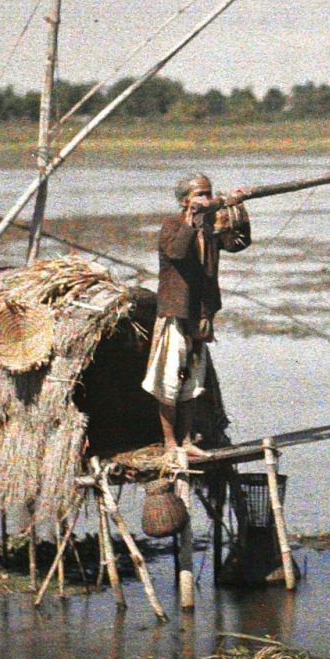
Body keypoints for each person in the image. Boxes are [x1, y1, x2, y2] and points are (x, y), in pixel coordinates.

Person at [145, 173, 251, 454]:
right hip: (176, 310)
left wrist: (238, 208)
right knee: (168, 378)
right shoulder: (172, 225)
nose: (207, 199)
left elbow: (238, 243)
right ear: (185, 201)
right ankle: (170, 443)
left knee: (192, 380)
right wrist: (191, 219)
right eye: (200, 194)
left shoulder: (211, 224)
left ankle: (187, 440)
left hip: (201, 312)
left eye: (209, 193)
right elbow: (178, 253)